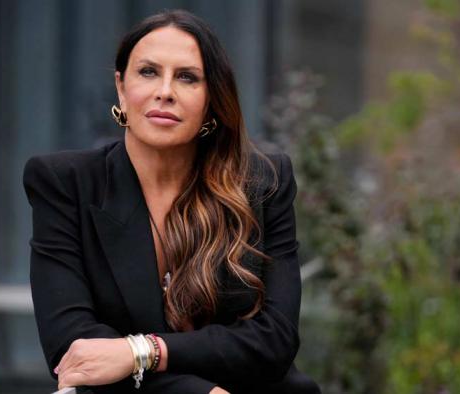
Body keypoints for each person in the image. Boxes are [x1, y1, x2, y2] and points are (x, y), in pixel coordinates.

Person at [23, 9, 320, 394]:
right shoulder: (65, 183)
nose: (165, 91)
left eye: (187, 77)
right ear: (121, 87)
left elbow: (274, 340)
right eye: (148, 72)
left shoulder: (262, 182)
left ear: (212, 97)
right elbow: (75, 347)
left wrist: (142, 351)